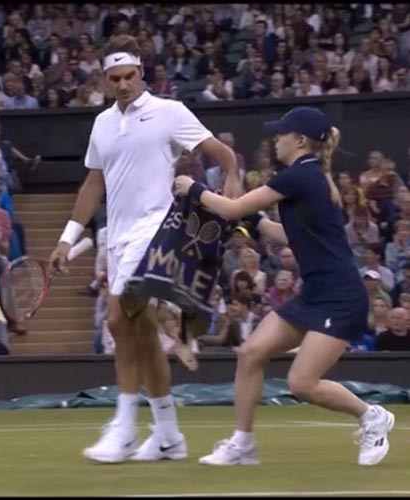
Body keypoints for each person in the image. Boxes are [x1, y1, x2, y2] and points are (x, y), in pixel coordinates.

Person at [49, 34, 240, 464]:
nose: (122, 84)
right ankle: (169, 434)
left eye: (129, 76)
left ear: (142, 73)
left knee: (118, 319)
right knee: (139, 334)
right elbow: (92, 185)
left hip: (157, 229)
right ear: (104, 79)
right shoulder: (101, 124)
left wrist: (231, 188)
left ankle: (125, 427)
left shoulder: (169, 112)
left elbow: (222, 154)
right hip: (117, 236)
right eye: (114, 78)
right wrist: (66, 238)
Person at [174, 106, 395, 467]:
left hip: (340, 298)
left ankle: (372, 416)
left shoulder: (301, 176)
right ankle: (243, 444)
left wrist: (192, 188)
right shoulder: (309, 178)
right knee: (250, 354)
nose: (276, 140)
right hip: (314, 294)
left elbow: (230, 209)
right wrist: (257, 220)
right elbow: (288, 235)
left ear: (300, 140)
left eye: (281, 134)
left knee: (302, 384)